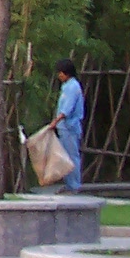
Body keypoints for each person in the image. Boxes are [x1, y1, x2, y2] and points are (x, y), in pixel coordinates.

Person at [51, 59, 85, 194]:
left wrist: (55, 121)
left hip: (70, 127)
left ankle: (74, 185)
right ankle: (69, 183)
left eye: (61, 73)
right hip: (64, 127)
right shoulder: (66, 86)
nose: (59, 76)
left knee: (71, 156)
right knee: (65, 156)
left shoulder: (73, 87)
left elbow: (67, 109)